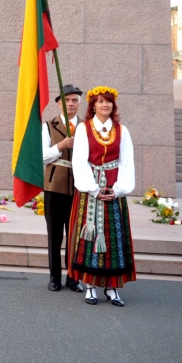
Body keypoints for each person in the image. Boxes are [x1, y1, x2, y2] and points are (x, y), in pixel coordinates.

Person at [67, 86, 136, 307]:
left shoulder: (122, 131)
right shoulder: (83, 129)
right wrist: (94, 189)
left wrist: (118, 190)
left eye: (108, 102)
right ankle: (89, 286)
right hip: (91, 193)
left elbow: (126, 163)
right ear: (93, 105)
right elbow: (79, 161)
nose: (105, 105)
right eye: (100, 101)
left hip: (114, 192)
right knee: (90, 236)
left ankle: (112, 288)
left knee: (114, 238)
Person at [41, 84, 84, 293]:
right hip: (54, 186)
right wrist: (60, 146)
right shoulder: (49, 126)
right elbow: (41, 156)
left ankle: (73, 278)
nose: (71, 104)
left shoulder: (87, 127)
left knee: (75, 234)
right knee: (55, 234)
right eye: (66, 100)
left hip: (79, 188)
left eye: (75, 100)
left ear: (79, 103)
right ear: (59, 103)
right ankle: (54, 277)